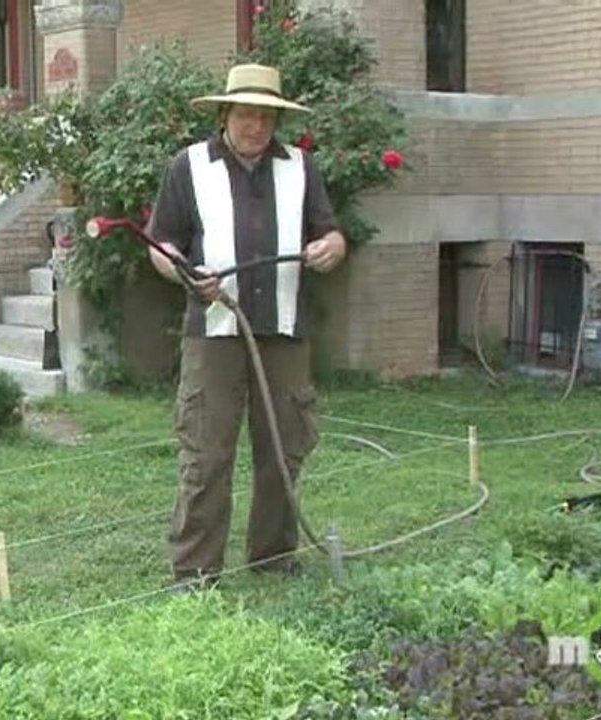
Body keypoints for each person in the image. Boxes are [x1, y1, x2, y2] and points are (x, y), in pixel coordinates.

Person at [146, 63, 348, 589]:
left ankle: (273, 557)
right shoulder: (186, 167)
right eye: (245, 115)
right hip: (213, 331)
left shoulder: (302, 168)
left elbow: (331, 234)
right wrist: (187, 273)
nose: (255, 127)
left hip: (283, 330)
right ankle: (194, 572)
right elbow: (161, 245)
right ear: (224, 114)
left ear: (277, 119)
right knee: (207, 452)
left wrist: (332, 247)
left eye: (265, 117)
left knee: (284, 448)